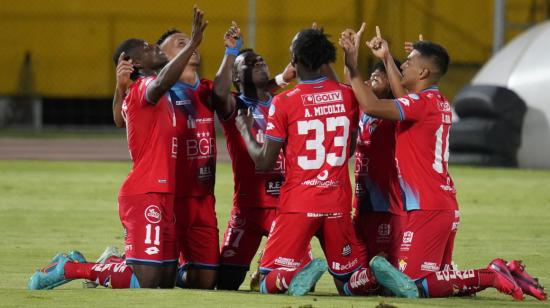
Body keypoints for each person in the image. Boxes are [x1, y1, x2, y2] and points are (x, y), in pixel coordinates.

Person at [340, 26, 546, 301]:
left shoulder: (421, 104)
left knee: (415, 284)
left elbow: (373, 106)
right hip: (441, 204)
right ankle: (503, 271)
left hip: (427, 207)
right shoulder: (435, 101)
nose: (404, 67)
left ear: (423, 73)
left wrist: (352, 65)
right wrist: (387, 57)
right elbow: (403, 96)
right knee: (433, 281)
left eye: (409, 63)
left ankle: (492, 274)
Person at [28, 6, 208, 290]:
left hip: (164, 192)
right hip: (145, 192)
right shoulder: (145, 87)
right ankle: (70, 267)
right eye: (147, 47)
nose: (155, 47)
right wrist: (194, 42)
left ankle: (112, 262)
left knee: (165, 278)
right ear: (135, 62)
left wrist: (118, 86)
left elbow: (117, 119)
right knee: (145, 280)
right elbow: (162, 82)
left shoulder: (137, 92)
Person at [235, 27, 418, 297]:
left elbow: (263, 162)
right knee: (348, 281)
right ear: (324, 59)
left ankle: (290, 276)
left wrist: (245, 131)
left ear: (295, 61)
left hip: (298, 203)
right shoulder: (347, 96)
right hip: (337, 202)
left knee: (266, 277)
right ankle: (370, 273)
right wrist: (350, 59)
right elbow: (349, 146)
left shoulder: (284, 102)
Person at [212, 25, 311, 290]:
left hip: (285, 206)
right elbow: (218, 94)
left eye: (262, 60)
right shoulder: (235, 106)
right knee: (225, 281)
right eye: (251, 62)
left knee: (302, 280)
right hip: (247, 207)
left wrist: (283, 77)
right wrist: (232, 52)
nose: (260, 62)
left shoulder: (284, 103)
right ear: (236, 74)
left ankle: (265, 272)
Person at [353, 59, 406, 269]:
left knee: (384, 269)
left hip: (386, 205)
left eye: (379, 76)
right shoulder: (363, 111)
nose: (371, 78)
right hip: (361, 203)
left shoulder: (397, 114)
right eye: (372, 75)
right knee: (360, 267)